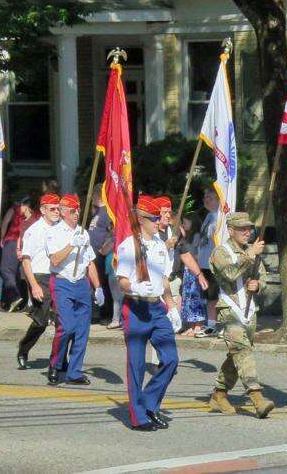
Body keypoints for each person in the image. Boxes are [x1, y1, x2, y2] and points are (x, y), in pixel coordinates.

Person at [116, 194, 181, 431]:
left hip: (156, 308)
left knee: (171, 359)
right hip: (135, 307)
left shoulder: (160, 246)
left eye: (158, 218)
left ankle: (150, 403)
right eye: (154, 218)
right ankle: (138, 416)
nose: (158, 222)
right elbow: (122, 280)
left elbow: (163, 279)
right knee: (136, 365)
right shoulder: (128, 245)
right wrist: (133, 286)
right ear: (141, 219)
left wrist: (171, 306)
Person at [207, 212, 274, 419]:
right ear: (231, 230)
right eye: (242, 229)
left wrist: (258, 285)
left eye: (249, 229)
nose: (247, 232)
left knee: (238, 354)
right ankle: (257, 398)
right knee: (243, 351)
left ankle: (219, 394)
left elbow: (262, 277)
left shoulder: (251, 250)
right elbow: (229, 273)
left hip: (250, 311)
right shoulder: (221, 251)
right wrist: (250, 255)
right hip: (229, 310)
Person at [45, 194, 104, 386]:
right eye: (72, 210)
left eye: (78, 210)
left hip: (81, 283)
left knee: (82, 330)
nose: (76, 213)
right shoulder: (53, 232)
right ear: (62, 212)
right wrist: (72, 244)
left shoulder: (82, 232)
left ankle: (74, 372)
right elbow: (54, 259)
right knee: (66, 327)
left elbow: (89, 263)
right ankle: (55, 364)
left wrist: (98, 287)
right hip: (62, 282)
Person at [16, 192, 61, 370]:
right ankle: (24, 348)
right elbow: (26, 259)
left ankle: (58, 359)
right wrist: (33, 285)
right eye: (52, 209)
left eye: (58, 209)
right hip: (40, 276)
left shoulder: (61, 228)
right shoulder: (33, 231)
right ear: (43, 210)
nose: (56, 212)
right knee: (40, 322)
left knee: (62, 321)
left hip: (58, 277)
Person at [175, 215, 208, 336]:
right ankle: (190, 325)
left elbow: (193, 252)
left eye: (185, 223)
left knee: (195, 297)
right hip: (187, 270)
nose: (183, 225)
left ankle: (198, 325)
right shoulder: (186, 236)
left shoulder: (196, 236)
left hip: (194, 269)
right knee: (187, 298)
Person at [0, 196, 33, 311]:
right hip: (27, 244)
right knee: (22, 274)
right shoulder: (35, 215)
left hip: (13, 241)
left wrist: (2, 237)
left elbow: (5, 222)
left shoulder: (14, 209)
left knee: (6, 270)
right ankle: (23, 302)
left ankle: (14, 296)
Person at [196, 189, 220, 337]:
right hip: (203, 263)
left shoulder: (220, 218)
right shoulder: (209, 217)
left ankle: (215, 325)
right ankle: (210, 324)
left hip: (214, 264)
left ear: (219, 200)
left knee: (214, 296)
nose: (206, 200)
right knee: (208, 296)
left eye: (210, 198)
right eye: (205, 197)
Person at [88, 184, 113, 322]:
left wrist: (104, 249)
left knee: (102, 283)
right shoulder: (98, 212)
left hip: (100, 255)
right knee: (94, 283)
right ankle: (96, 312)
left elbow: (112, 233)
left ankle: (105, 313)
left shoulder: (107, 212)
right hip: (92, 254)